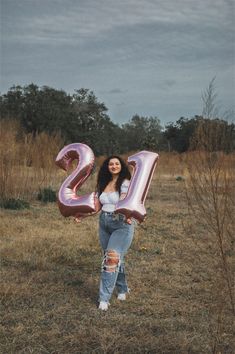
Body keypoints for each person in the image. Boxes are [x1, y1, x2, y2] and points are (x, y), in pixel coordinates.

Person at [95, 155, 135, 311]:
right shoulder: (103, 183)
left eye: (117, 163)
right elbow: (98, 204)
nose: (113, 166)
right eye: (111, 164)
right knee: (113, 257)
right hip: (104, 222)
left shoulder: (125, 183)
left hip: (121, 224)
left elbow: (126, 201)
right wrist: (81, 214)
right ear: (107, 167)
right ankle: (123, 288)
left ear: (121, 166)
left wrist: (129, 215)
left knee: (111, 258)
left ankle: (103, 299)